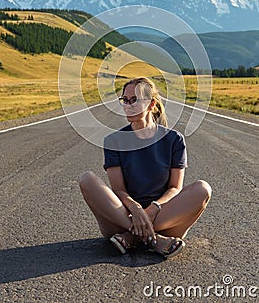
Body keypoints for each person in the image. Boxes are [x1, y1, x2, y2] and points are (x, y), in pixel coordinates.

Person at [79, 77, 212, 259]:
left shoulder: (174, 140)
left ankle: (132, 237)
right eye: (125, 100)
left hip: (163, 217)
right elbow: (118, 189)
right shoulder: (113, 141)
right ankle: (154, 239)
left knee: (203, 189)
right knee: (87, 179)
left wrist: (153, 208)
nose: (128, 105)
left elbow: (175, 188)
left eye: (134, 100)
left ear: (151, 104)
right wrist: (136, 209)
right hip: (122, 217)